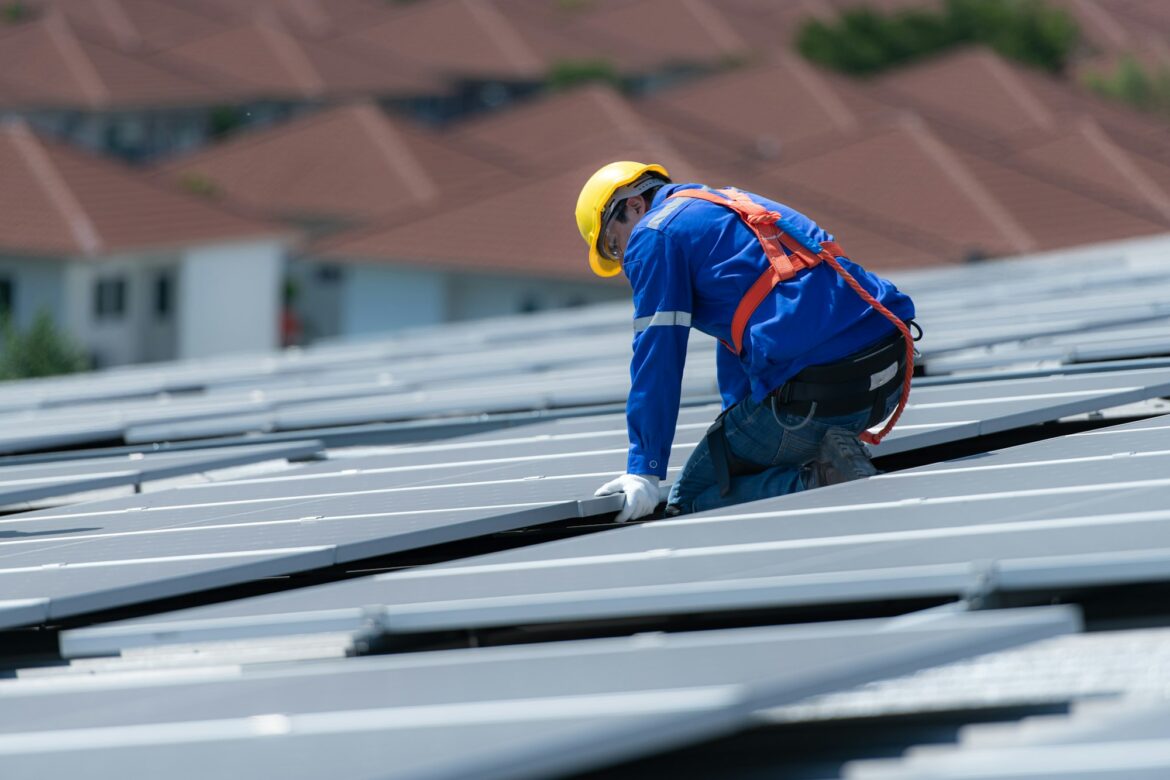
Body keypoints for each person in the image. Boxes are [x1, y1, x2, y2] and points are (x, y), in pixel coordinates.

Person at [574, 161, 917, 522]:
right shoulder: (723, 204)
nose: (623, 259)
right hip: (888, 375)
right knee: (737, 463)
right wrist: (738, 424)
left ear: (633, 206)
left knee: (694, 496)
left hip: (821, 395)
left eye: (613, 245)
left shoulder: (654, 233)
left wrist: (645, 468)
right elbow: (738, 330)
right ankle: (833, 465)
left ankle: (824, 478)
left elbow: (657, 353)